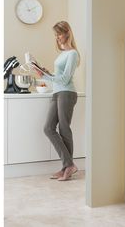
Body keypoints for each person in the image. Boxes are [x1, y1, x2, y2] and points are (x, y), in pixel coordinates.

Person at [34, 21, 80, 181]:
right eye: (56, 35)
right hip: (57, 92)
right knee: (48, 128)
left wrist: (46, 76)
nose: (57, 38)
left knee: (64, 129)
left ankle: (67, 167)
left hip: (67, 93)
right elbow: (58, 76)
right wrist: (45, 72)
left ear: (67, 32)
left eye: (59, 34)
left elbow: (66, 79)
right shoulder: (62, 54)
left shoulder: (73, 54)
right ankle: (68, 165)